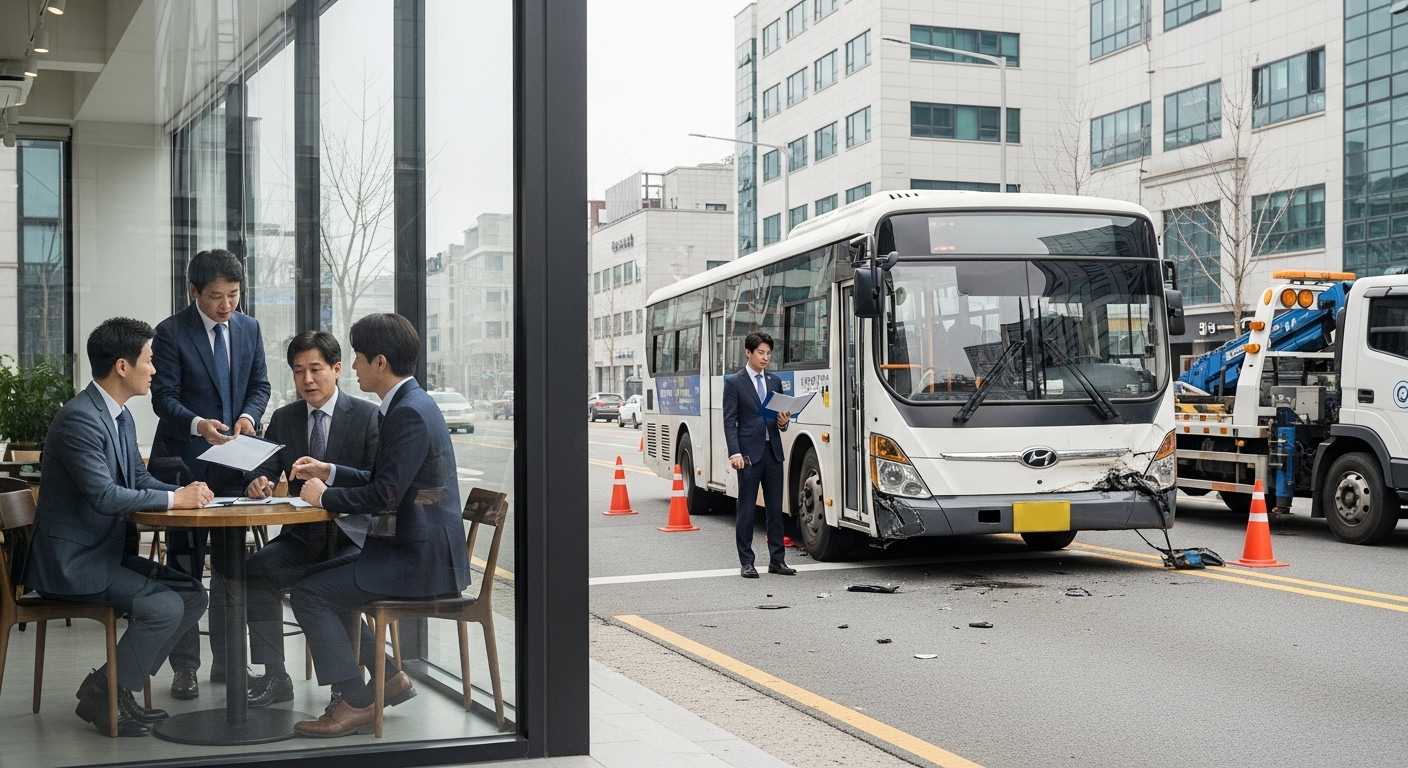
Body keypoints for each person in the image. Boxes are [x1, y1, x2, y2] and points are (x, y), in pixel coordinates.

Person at [23, 318, 214, 737]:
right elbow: (106, 496)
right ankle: (108, 694)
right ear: (123, 366)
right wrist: (175, 501)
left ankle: (108, 688)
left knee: (192, 594)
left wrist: (187, 493)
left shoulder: (119, 416)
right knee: (165, 607)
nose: (155, 369)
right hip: (72, 563)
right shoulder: (80, 419)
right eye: (149, 360)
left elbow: (138, 479)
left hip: (102, 552)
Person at [288, 313, 470, 737]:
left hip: (420, 561)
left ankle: (355, 702)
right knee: (315, 582)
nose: (353, 365)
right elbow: (386, 481)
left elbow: (384, 495)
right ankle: (388, 678)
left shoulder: (407, 413)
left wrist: (324, 497)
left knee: (309, 595)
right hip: (414, 550)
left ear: (380, 362)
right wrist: (330, 470)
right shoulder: (409, 404)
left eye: (357, 356)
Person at [151, 249, 270, 700]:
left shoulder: (249, 328)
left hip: (233, 466)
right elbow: (162, 398)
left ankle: (227, 662)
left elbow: (259, 385)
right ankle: (184, 668)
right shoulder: (170, 332)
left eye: (233, 295)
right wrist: (199, 424)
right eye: (216, 296)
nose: (226, 305)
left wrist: (248, 416)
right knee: (184, 567)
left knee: (229, 568)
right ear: (194, 291)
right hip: (184, 466)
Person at [241, 331, 380, 708]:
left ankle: (351, 685)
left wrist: (329, 479)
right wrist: (257, 481)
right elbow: (264, 467)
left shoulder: (367, 416)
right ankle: (275, 676)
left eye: (316, 369)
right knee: (256, 569)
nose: (307, 379)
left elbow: (377, 482)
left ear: (337, 369)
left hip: (353, 539)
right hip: (302, 539)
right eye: (298, 371)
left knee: (325, 584)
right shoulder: (284, 418)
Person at [722, 331, 796, 579]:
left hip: (773, 452)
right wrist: (735, 452)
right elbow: (729, 421)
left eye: (768, 353)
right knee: (746, 508)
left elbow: (778, 419)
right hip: (748, 455)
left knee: (775, 509)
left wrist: (783, 422)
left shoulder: (775, 382)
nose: (765, 358)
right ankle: (747, 562)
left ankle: (777, 560)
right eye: (761, 353)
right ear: (748, 353)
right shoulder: (735, 382)